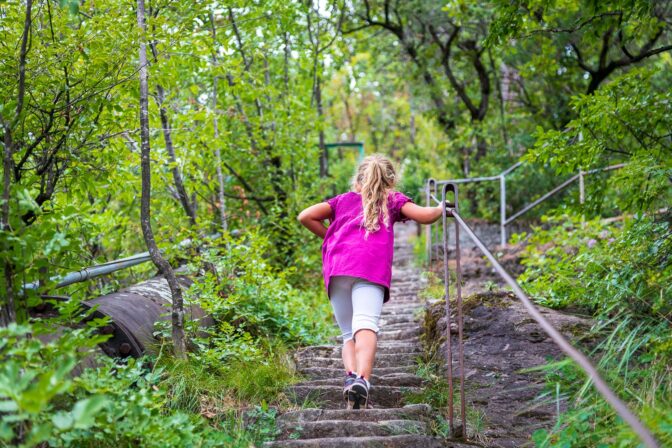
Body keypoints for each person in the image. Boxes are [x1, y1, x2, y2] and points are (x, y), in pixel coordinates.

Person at [297, 153, 443, 409]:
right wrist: (443, 206)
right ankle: (362, 381)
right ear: (391, 180)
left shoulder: (341, 201)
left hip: (339, 267)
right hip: (370, 268)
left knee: (347, 334)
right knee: (365, 324)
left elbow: (305, 216)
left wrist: (330, 238)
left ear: (358, 179)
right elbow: (427, 216)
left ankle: (351, 378)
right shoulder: (393, 200)